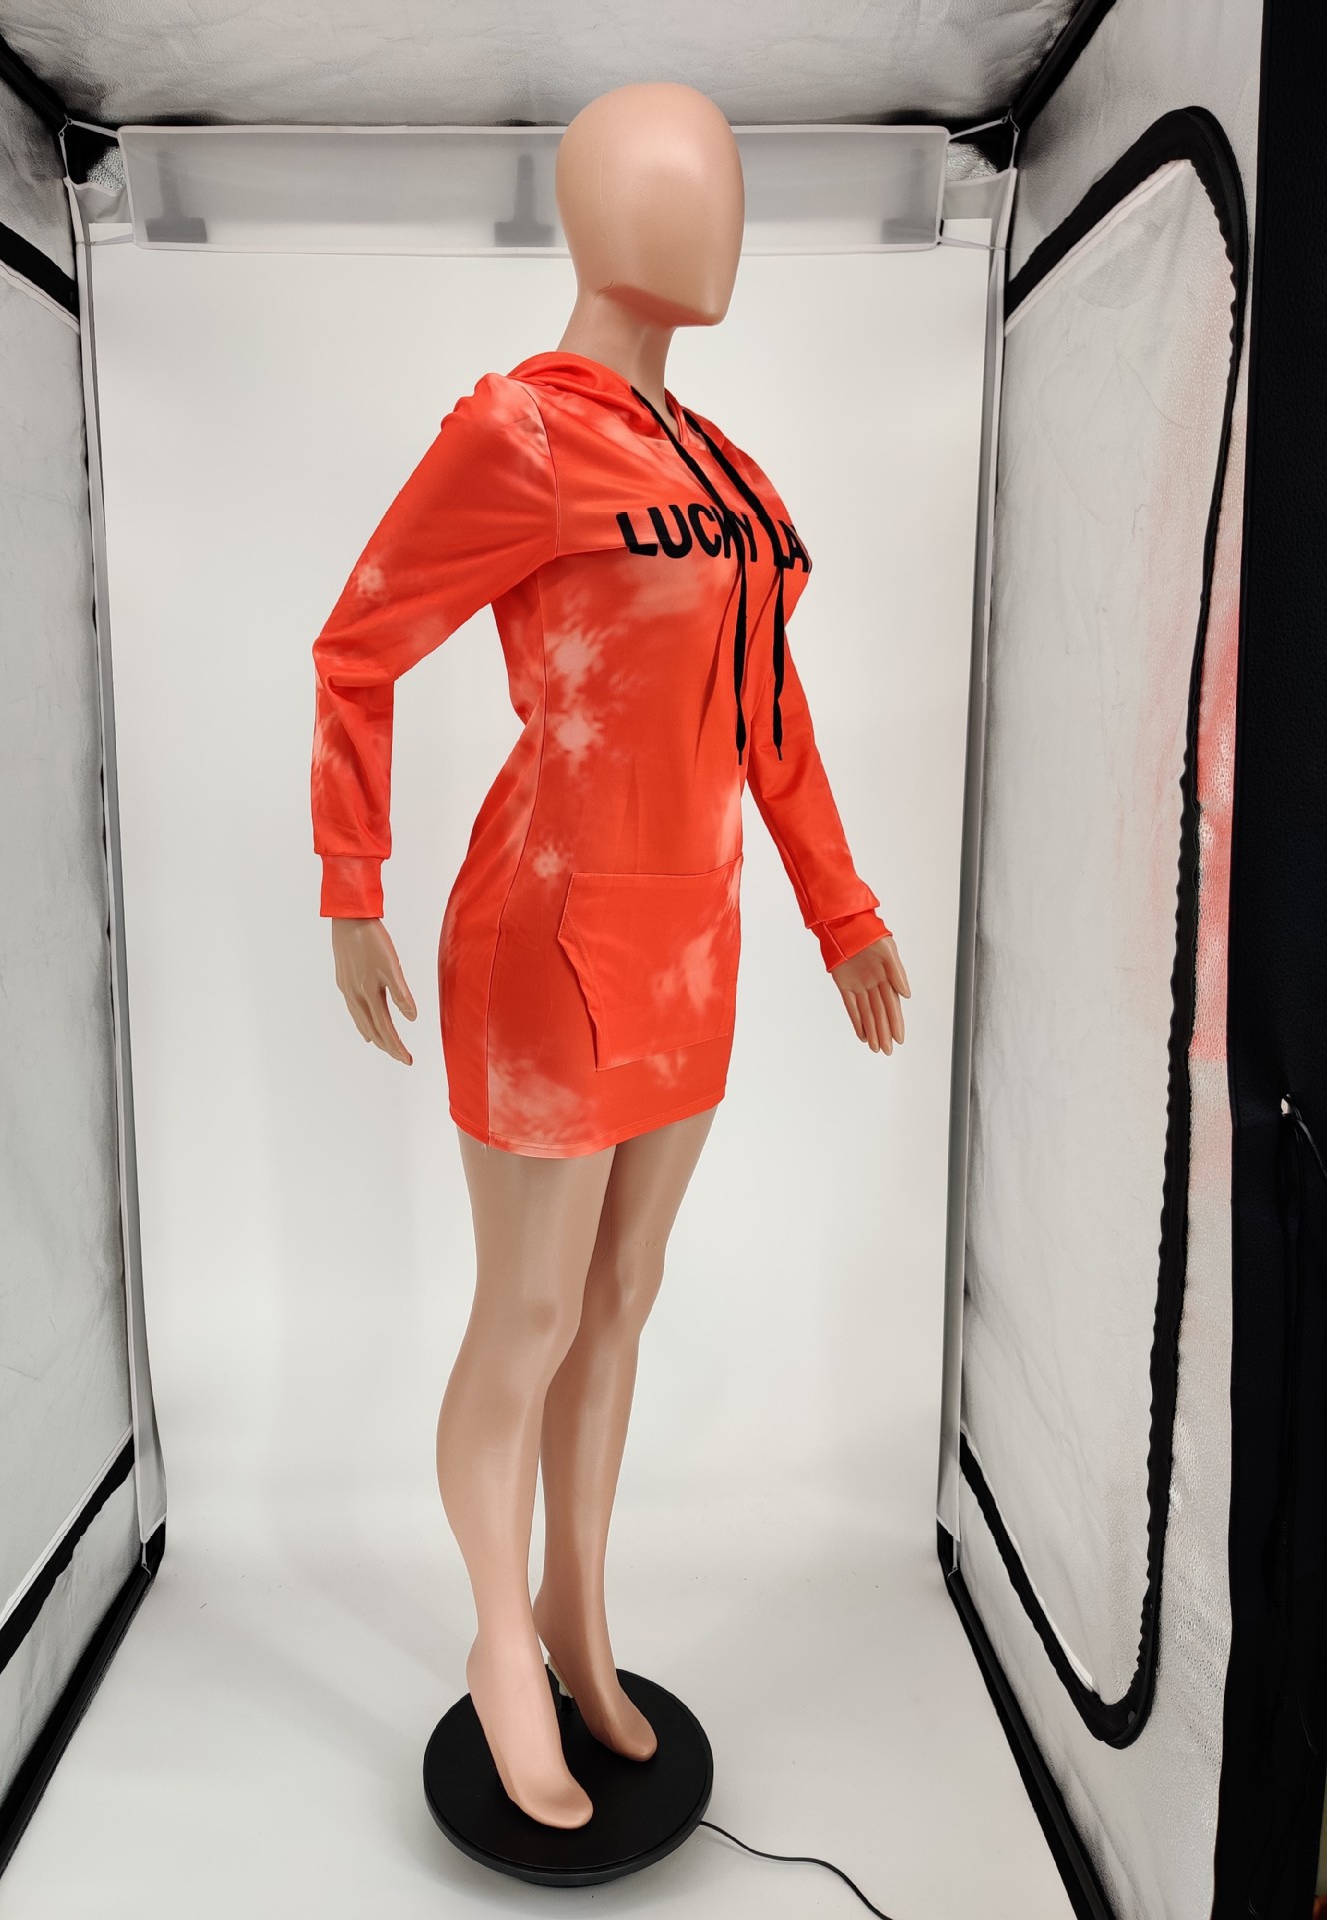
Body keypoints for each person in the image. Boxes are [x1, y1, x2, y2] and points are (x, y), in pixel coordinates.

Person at [310, 81, 910, 1828]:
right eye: (677, 182)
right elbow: (358, 644)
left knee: (624, 1297)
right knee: (531, 1310)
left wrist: (844, 911)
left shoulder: (731, 477)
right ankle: (501, 1638)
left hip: (692, 943)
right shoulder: (522, 435)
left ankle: (579, 1613)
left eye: (723, 183)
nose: (718, 216)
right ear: (595, 215)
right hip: (548, 936)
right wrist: (350, 886)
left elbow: (770, 715)